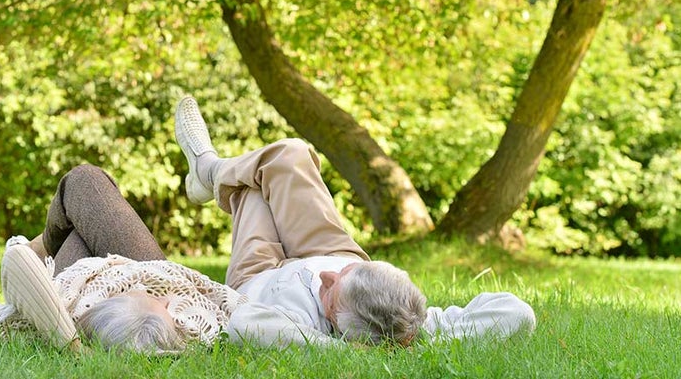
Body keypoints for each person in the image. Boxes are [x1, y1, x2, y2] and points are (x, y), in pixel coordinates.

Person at [173, 96, 536, 347]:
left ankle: (207, 168)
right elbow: (518, 314)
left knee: (249, 189)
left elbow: (243, 326)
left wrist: (345, 352)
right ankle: (209, 171)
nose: (326, 278)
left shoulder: (300, 327)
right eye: (341, 277)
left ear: (345, 330)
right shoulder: (415, 324)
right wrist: (349, 273)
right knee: (292, 154)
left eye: (331, 293)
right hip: (329, 248)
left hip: (259, 273)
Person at [0, 164, 248, 353]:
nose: (166, 299)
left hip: (84, 294)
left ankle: (42, 249)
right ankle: (44, 249)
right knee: (85, 193)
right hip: (142, 275)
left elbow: (15, 261)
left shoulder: (72, 304)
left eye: (152, 297)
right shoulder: (199, 317)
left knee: (85, 183)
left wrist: (72, 345)